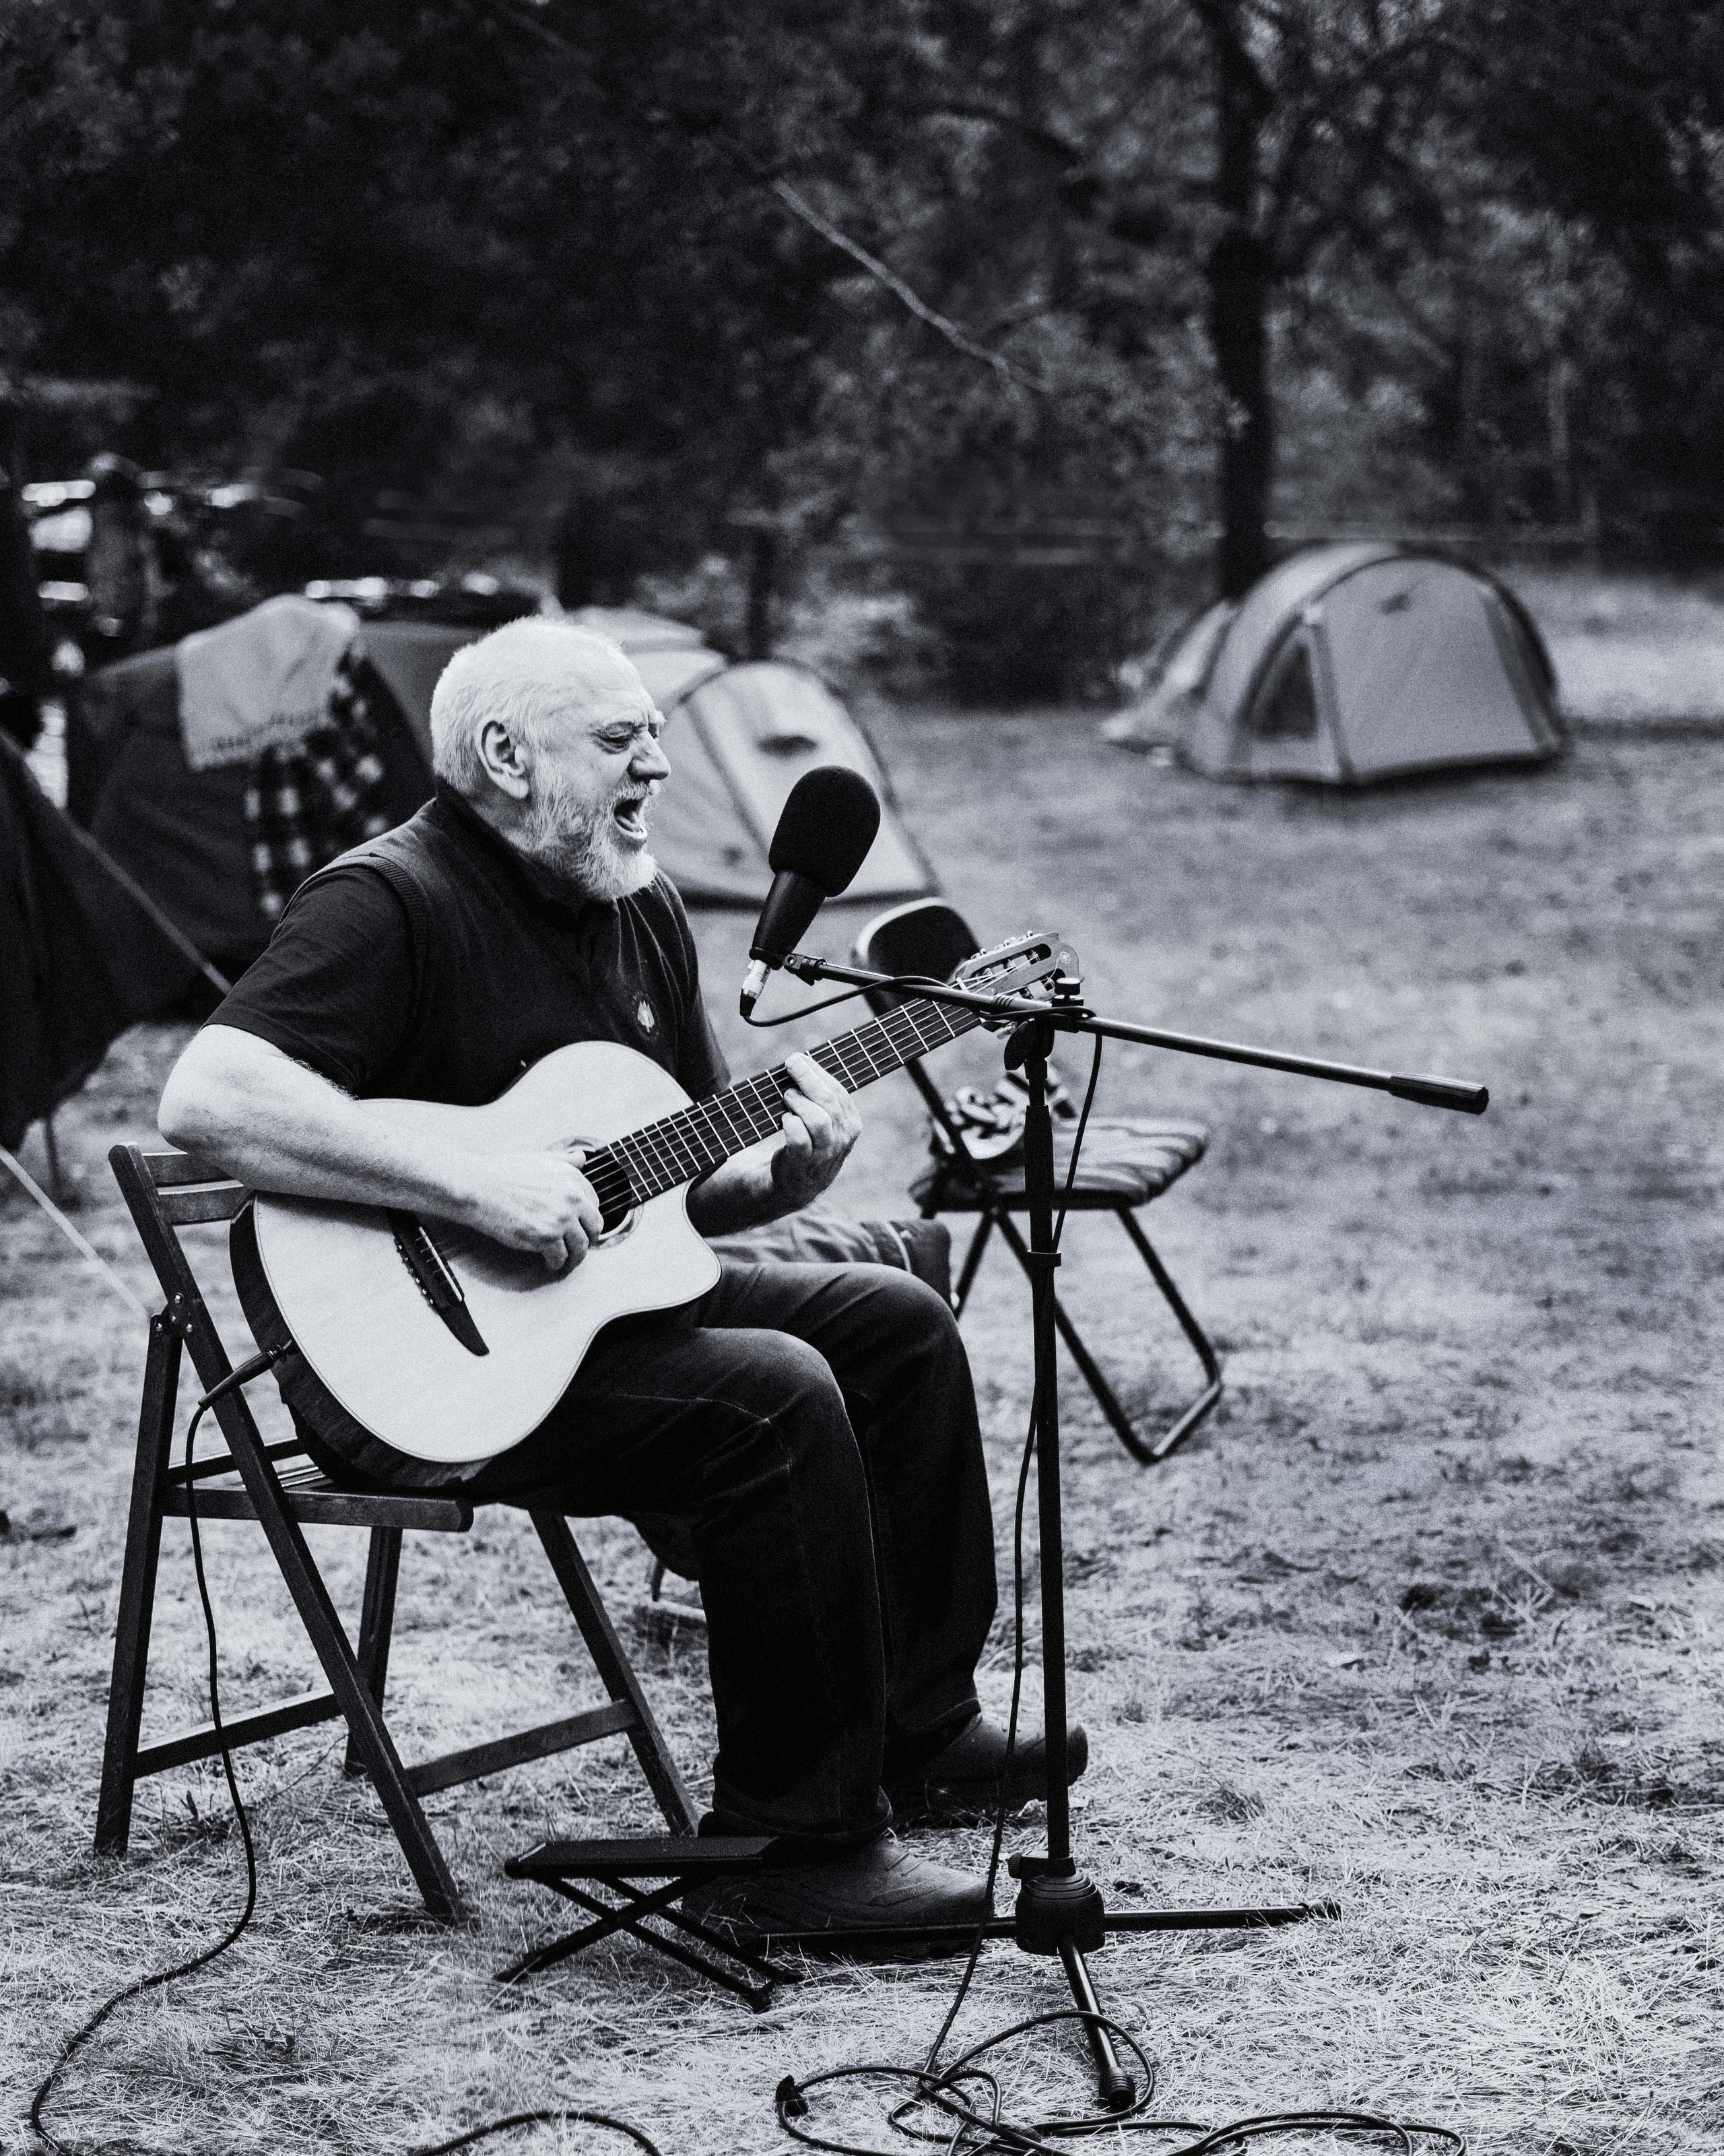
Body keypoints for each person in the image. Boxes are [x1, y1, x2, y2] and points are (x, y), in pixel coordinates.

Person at [157, 616, 1087, 1939]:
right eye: (619, 736)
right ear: (502, 752)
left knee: (894, 1321)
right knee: (772, 1393)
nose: (656, 761)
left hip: (582, 1322)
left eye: (654, 729)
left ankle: (916, 1727)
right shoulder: (389, 898)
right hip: (419, 1369)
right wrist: (470, 1186)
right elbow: (208, 1093)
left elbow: (673, 1169)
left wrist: (771, 1185)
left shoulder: (635, 901)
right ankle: (787, 1846)